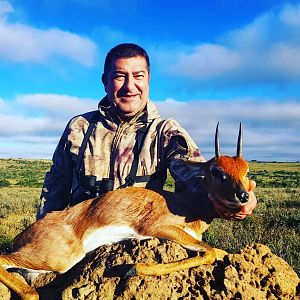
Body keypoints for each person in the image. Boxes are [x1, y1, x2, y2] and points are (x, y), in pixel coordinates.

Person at [37, 43, 256, 221]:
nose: (130, 86)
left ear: (148, 79)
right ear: (105, 81)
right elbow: (56, 186)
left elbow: (198, 179)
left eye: (138, 76)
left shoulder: (166, 132)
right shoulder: (79, 127)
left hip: (139, 238)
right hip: (81, 235)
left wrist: (231, 198)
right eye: (120, 76)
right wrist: (44, 230)